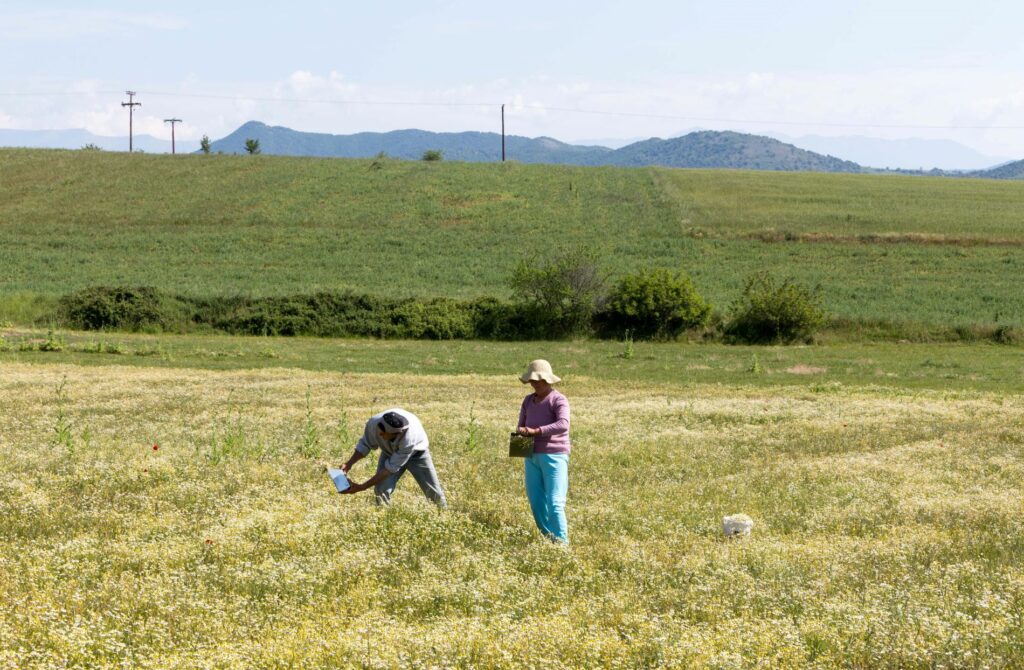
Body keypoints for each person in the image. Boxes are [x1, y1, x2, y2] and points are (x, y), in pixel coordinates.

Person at [339, 408, 447, 508]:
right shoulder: (373, 424)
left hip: (417, 453)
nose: (402, 433)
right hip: (389, 452)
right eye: (397, 434)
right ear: (382, 434)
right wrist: (349, 464)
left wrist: (362, 487)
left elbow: (389, 470)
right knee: (381, 489)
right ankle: (382, 515)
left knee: (433, 491)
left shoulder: (409, 438)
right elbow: (365, 445)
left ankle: (442, 513)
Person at [516, 359, 570, 544]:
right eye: (531, 380)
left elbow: (563, 425)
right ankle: (549, 540)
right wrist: (521, 432)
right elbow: (521, 425)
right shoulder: (528, 400)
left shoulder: (558, 399)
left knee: (555, 503)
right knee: (537, 503)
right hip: (531, 455)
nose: (534, 384)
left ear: (547, 380)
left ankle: (562, 544)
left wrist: (537, 431)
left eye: (537, 380)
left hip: (554, 455)